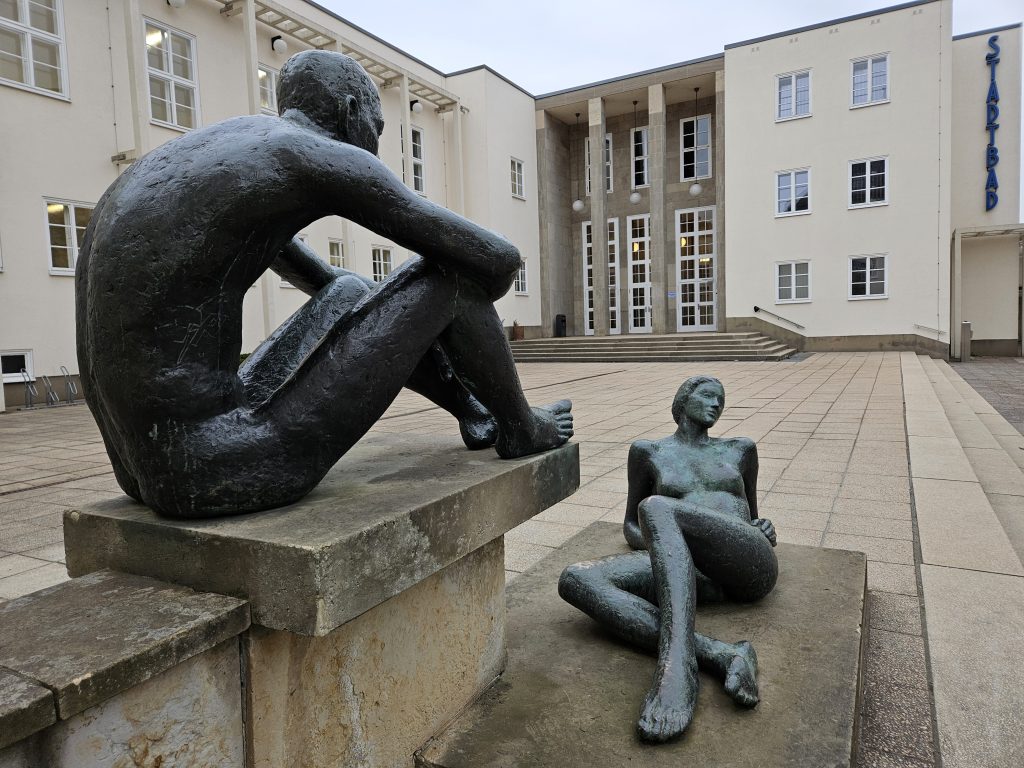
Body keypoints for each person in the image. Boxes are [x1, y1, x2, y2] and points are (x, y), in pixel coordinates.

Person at [75, 50, 572, 520]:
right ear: (352, 111)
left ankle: (474, 410)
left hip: (144, 468)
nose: (374, 143)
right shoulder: (314, 153)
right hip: (223, 467)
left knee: (350, 289)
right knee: (452, 280)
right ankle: (520, 428)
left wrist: (407, 326)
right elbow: (498, 262)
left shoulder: (203, 156)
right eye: (376, 129)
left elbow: (325, 283)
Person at [558, 375, 776, 743]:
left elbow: (753, 516)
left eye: (721, 399)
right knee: (576, 579)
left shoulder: (740, 448)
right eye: (708, 395)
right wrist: (665, 544)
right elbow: (631, 524)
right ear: (683, 400)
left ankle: (676, 669)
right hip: (683, 566)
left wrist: (764, 527)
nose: (717, 404)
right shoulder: (648, 452)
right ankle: (722, 654)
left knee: (657, 506)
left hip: (743, 564)